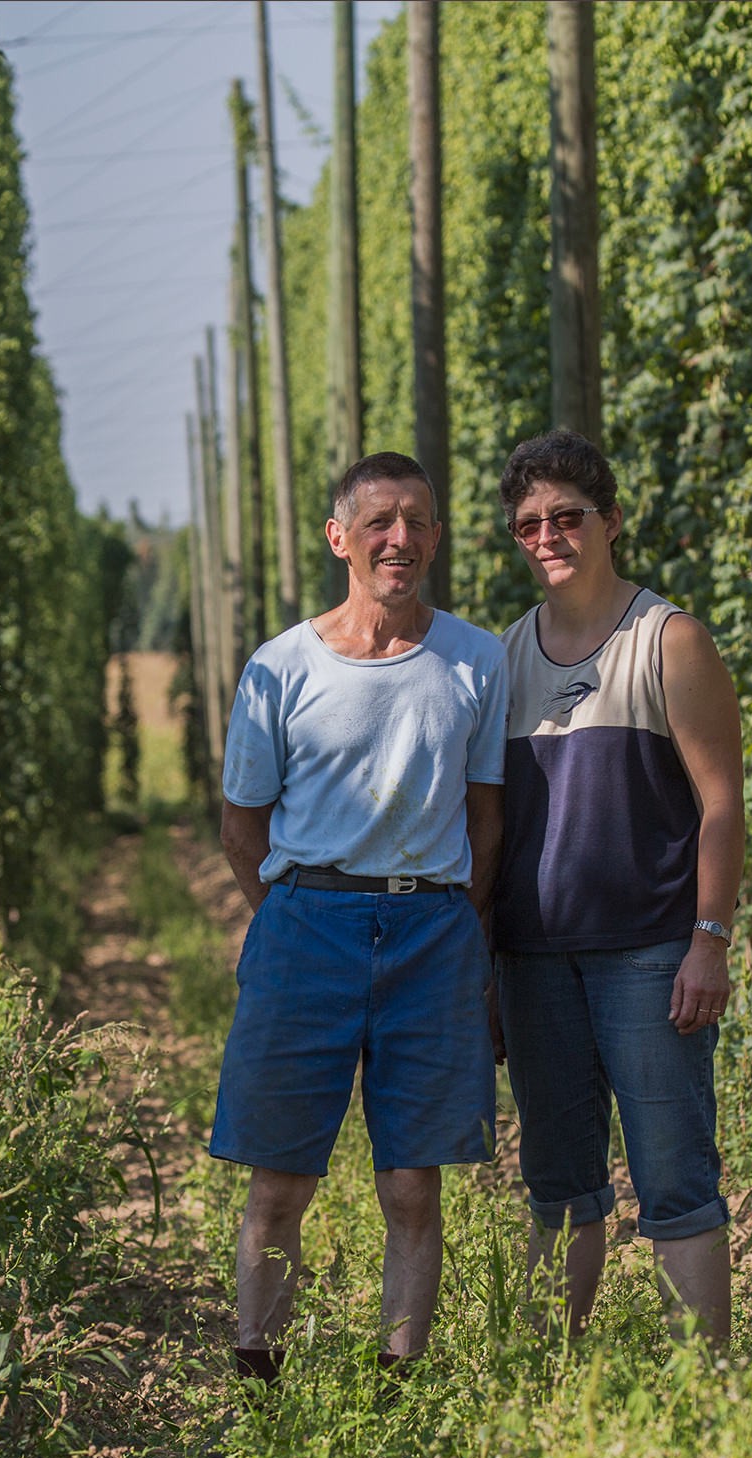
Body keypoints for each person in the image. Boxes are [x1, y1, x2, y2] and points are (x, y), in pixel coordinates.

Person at [212, 451, 506, 1383]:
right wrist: (291, 913)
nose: (400, 539)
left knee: (413, 1182)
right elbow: (240, 825)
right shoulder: (279, 669)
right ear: (339, 537)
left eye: (418, 521)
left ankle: (399, 1383)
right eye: (379, 521)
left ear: (438, 538)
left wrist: (462, 925)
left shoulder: (475, 659)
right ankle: (259, 1377)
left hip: (432, 932)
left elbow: (487, 816)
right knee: (280, 1177)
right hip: (308, 926)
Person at [491, 429, 746, 1347]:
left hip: (649, 958)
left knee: (676, 1177)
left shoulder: (667, 640)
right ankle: (551, 1378)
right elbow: (491, 831)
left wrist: (707, 939)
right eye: (529, 524)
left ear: (611, 522)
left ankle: (705, 1393)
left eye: (568, 516)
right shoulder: (502, 661)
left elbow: (722, 803)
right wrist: (486, 967)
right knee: (558, 1183)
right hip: (533, 964)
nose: (549, 535)